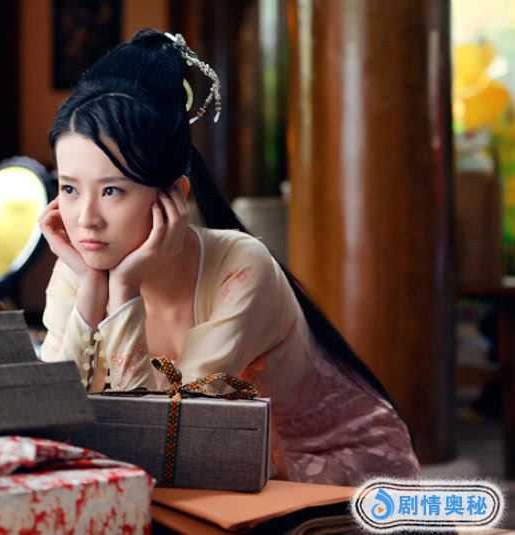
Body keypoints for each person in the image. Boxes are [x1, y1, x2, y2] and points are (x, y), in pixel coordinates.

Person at [38, 28, 420, 486]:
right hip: (221, 475)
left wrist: (123, 289)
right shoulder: (81, 271)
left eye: (112, 191)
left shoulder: (241, 268)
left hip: (334, 470)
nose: (85, 219)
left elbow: (164, 441)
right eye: (69, 189)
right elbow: (54, 420)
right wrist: (91, 291)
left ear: (174, 195)